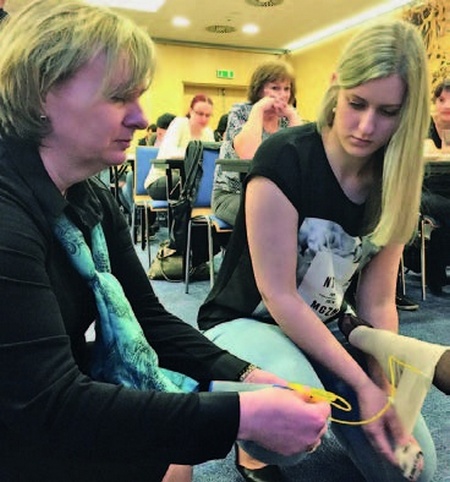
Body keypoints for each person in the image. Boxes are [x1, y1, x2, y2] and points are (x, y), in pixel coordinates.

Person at [0, 1, 332, 481]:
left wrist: (247, 376)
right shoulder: (8, 216)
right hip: (25, 418)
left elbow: (148, 317)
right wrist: (242, 417)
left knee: (173, 457)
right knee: (171, 454)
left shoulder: (89, 195)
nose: (141, 118)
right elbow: (48, 404)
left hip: (41, 399)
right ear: (40, 96)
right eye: (120, 97)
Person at [198, 20, 437, 482]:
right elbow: (280, 297)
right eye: (357, 103)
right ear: (336, 86)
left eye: (388, 112)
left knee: (414, 472)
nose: (366, 127)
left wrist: (383, 388)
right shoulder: (285, 157)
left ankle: (319, 393)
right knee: (292, 423)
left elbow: (377, 303)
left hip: (326, 325)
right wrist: (361, 387)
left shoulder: (395, 180)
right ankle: (252, 447)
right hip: (247, 320)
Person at [212, 60, 302, 226]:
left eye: (286, 89)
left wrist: (292, 115)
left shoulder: (286, 119)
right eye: (275, 88)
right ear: (259, 89)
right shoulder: (241, 112)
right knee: (269, 215)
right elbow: (250, 155)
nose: (282, 95)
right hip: (232, 195)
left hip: (275, 196)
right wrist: (258, 110)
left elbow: (302, 157)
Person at [144, 93, 215, 201]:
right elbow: (169, 153)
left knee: (208, 182)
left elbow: (211, 159)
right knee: (189, 181)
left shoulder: (208, 133)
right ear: (191, 111)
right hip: (162, 180)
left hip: (188, 180)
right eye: (200, 114)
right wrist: (195, 155)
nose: (204, 119)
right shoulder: (180, 123)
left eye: (208, 115)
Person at [119, 112, 176, 216]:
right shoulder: (153, 138)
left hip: (165, 173)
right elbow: (147, 156)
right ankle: (135, 212)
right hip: (151, 170)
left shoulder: (175, 141)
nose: (159, 134)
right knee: (130, 177)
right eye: (158, 131)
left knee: (127, 185)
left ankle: (138, 214)